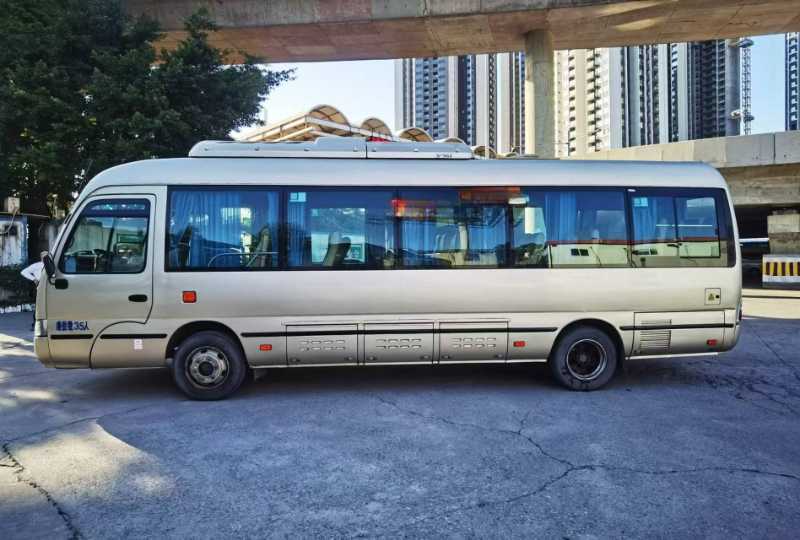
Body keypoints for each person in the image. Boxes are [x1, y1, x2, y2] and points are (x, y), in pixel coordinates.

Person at [20, 261, 43, 330]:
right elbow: (24, 272)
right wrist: (34, 279)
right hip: (40, 286)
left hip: (51, 286)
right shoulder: (37, 265)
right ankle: (36, 324)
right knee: (39, 307)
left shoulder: (53, 264)